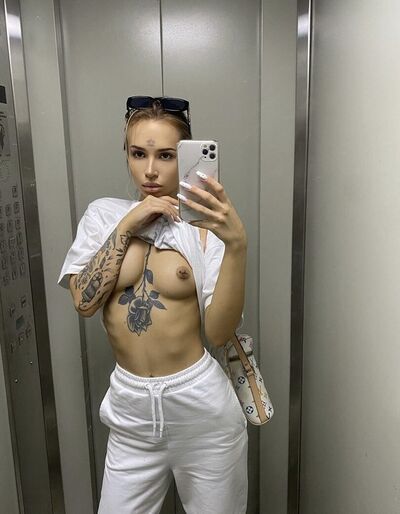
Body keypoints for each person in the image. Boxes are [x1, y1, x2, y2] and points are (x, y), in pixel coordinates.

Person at [58, 96, 249, 514]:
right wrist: (128, 223)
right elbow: (84, 301)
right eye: (138, 154)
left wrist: (236, 246)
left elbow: (218, 334)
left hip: (201, 411)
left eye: (165, 155)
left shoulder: (205, 229)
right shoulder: (102, 216)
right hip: (131, 414)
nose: (149, 170)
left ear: (185, 157)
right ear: (126, 153)